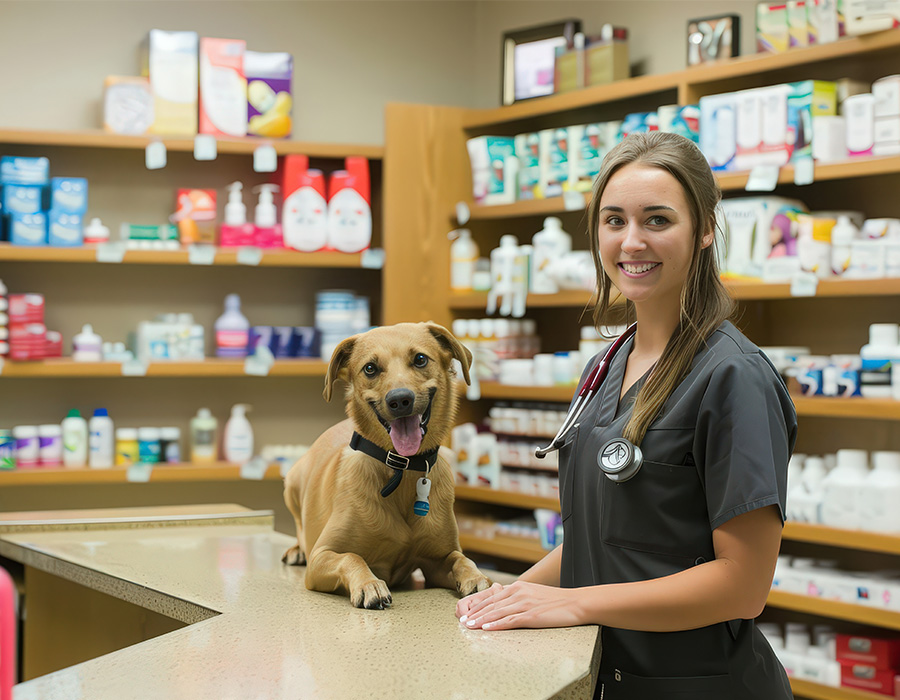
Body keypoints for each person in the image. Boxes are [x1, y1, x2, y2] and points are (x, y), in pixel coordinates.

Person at [456, 131, 797, 700]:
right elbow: (608, 537)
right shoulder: (606, 364)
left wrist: (573, 601)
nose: (631, 241)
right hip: (606, 676)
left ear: (706, 229)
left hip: (700, 687)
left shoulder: (732, 376)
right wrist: (501, 600)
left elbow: (743, 585)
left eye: (657, 220)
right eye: (614, 221)